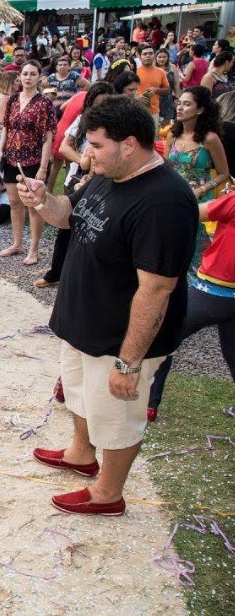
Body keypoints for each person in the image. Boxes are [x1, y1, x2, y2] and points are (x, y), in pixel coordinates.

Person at [20, 95, 198, 516]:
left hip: (120, 337)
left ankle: (108, 493)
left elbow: (156, 290)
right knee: (80, 396)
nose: (87, 154)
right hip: (84, 321)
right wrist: (45, 200)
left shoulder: (164, 201)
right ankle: (81, 454)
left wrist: (129, 362)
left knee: (117, 416)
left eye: (96, 145)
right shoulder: (108, 172)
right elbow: (71, 216)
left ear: (130, 144)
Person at [146, 184, 235, 421]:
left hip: (215, 290)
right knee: (233, 352)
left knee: (164, 335)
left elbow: (192, 212)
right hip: (224, 293)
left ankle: (149, 403)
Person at [37, 81, 116, 290]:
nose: (102, 108)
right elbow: (64, 145)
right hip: (78, 178)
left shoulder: (117, 125)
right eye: (98, 103)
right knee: (67, 227)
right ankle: (56, 272)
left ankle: (86, 277)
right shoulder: (82, 120)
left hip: (103, 181)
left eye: (107, 103)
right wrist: (83, 160)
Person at [0, 60, 57, 266]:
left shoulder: (44, 103)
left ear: (39, 77)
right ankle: (17, 243)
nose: (28, 77)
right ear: (19, 77)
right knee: (14, 202)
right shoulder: (12, 99)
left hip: (33, 158)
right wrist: (0, 152)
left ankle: (34, 248)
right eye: (25, 74)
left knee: (33, 205)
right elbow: (6, 128)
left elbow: (48, 137)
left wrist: (43, 167)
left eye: (32, 74)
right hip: (12, 157)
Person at [167, 86, 230, 202]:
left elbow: (224, 173)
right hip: (173, 195)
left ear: (200, 109)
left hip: (199, 199)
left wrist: (201, 190)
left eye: (186, 104)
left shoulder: (210, 138)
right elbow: (166, 168)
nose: (179, 108)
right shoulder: (172, 134)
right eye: (179, 103)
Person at [135, 45, 170, 123]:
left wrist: (156, 90)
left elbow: (167, 90)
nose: (148, 56)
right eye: (145, 54)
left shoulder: (161, 72)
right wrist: (136, 96)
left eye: (150, 53)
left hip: (154, 112)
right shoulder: (134, 71)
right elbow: (125, 90)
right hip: (136, 110)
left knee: (153, 134)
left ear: (154, 56)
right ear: (140, 57)